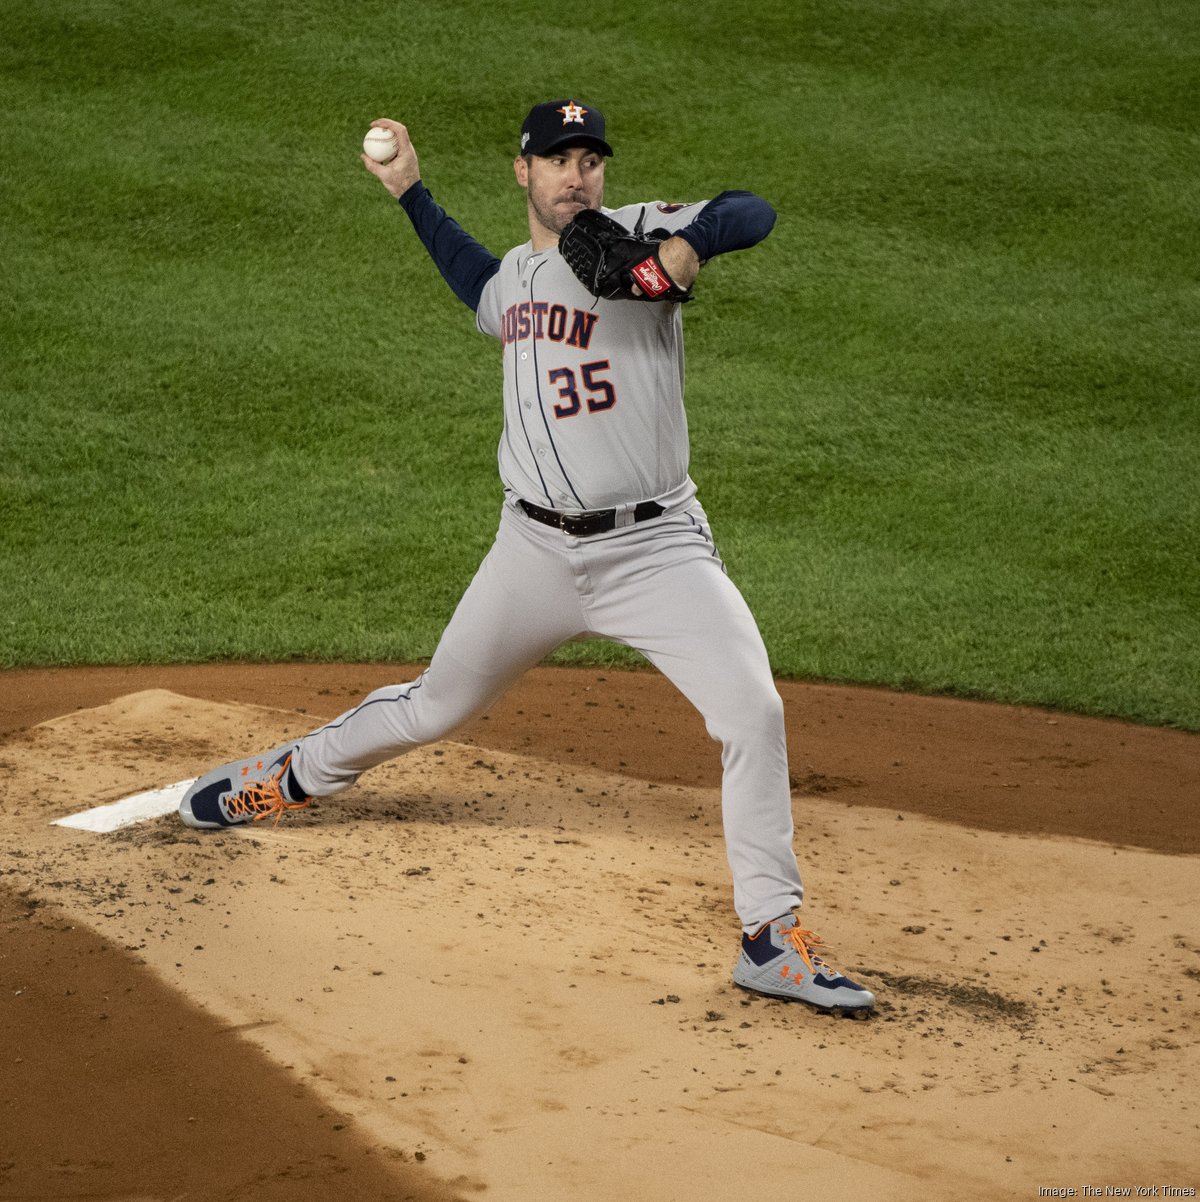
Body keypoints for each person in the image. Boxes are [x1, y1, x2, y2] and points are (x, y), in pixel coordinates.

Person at [179, 99, 875, 1014]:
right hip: (534, 550)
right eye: (558, 160)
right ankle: (292, 775)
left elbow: (753, 211)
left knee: (753, 710)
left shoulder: (637, 231)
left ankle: (770, 938)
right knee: (434, 705)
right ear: (525, 174)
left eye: (590, 159)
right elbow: (473, 279)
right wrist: (410, 192)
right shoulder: (514, 279)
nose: (576, 174)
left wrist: (676, 255)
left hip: (655, 547)